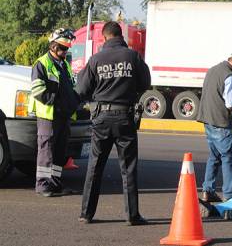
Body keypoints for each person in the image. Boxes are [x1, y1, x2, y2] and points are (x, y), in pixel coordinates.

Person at [76, 21, 151, 225]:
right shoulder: (133, 57)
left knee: (95, 166)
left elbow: (81, 89)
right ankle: (132, 216)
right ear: (120, 36)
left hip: (101, 118)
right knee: (128, 168)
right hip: (125, 118)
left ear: (106, 37)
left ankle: (86, 214)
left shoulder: (96, 59)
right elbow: (146, 83)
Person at [29, 28, 80, 197]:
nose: (66, 51)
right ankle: (42, 185)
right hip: (49, 115)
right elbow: (37, 91)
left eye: (67, 48)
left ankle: (55, 183)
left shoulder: (64, 64)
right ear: (53, 46)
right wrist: (57, 102)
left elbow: (69, 88)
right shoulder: (41, 64)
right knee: (46, 150)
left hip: (63, 115)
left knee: (60, 151)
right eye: (63, 48)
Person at [197, 52, 232, 203]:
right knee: (229, 159)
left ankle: (208, 191)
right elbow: (231, 103)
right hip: (221, 123)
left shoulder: (213, 70)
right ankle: (229, 194)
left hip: (208, 121)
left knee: (214, 157)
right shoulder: (229, 76)